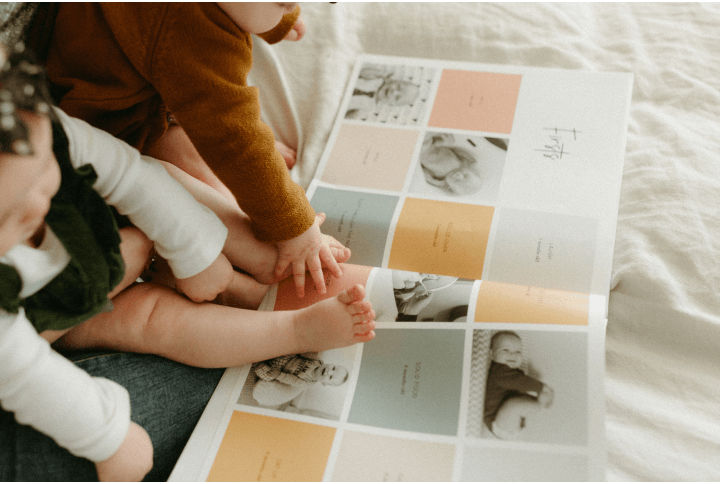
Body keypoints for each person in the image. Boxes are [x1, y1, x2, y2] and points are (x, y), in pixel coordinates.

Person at [0, 44, 376, 482]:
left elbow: (131, 174)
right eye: (10, 217)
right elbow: (26, 374)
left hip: (106, 233)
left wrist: (194, 253)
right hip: (56, 312)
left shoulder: (30, 123)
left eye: (45, 170)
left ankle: (263, 264)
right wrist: (109, 439)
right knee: (154, 321)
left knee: (167, 180)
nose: (37, 204)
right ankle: (294, 329)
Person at [33, 2, 339, 298]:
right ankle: (263, 259)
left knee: (207, 148)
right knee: (174, 180)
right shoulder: (188, 23)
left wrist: (277, 15)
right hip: (101, 136)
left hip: (124, 95)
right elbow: (234, 140)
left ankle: (254, 232)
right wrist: (293, 226)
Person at [483, 331, 554, 440]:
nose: (513, 355)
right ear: (491, 354)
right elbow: (521, 382)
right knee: (515, 404)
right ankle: (541, 404)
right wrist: (541, 387)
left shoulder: (513, 372)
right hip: (498, 421)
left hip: (511, 422)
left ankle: (540, 404)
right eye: (505, 350)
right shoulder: (499, 371)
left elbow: (520, 383)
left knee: (520, 402)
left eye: (518, 352)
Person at [252, 353, 349, 407]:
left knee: (267, 375)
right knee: (287, 353)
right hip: (285, 359)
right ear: (332, 364)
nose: (329, 371)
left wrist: (278, 375)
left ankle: (258, 365)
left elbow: (291, 380)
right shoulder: (317, 361)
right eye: (333, 368)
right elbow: (305, 354)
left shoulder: (307, 382)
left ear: (323, 383)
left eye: (330, 377)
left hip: (279, 371)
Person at [345, 64, 421, 120]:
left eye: (397, 97)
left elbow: (352, 114)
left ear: (391, 104)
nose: (394, 92)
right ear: (394, 80)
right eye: (398, 87)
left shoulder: (370, 107)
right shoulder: (377, 79)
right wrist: (382, 74)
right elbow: (361, 72)